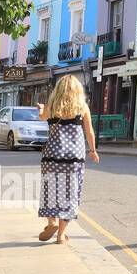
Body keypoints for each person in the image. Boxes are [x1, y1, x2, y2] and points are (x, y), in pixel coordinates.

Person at [37, 76, 100, 244]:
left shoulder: (52, 106)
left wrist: (41, 109)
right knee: (69, 194)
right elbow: (90, 132)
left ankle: (51, 223)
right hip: (74, 158)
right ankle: (61, 235)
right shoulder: (82, 107)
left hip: (51, 156)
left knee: (50, 191)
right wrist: (93, 150)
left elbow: (42, 118)